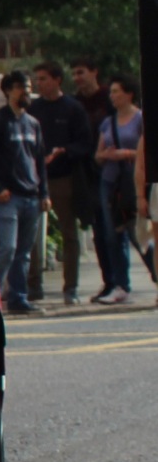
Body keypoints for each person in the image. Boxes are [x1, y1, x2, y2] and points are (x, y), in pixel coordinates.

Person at [0, 70, 47, 313]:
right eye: (19, 87)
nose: (25, 92)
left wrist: (44, 193)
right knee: (7, 248)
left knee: (24, 253)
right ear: (7, 91)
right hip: (9, 197)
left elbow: (39, 161)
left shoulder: (33, 124)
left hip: (31, 196)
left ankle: (18, 298)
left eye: (27, 87)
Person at [28, 61, 94, 304]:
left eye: (44, 79)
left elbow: (85, 144)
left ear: (57, 80)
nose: (40, 84)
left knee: (69, 233)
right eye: (38, 79)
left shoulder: (73, 109)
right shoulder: (34, 109)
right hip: (36, 178)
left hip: (63, 177)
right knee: (32, 234)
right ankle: (33, 285)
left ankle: (71, 288)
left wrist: (63, 151)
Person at [92, 77, 144, 303]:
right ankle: (121, 284)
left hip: (133, 181)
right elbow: (98, 155)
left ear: (129, 94)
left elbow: (146, 152)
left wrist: (126, 154)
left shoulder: (140, 119)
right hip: (110, 182)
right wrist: (107, 155)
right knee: (113, 234)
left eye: (117, 91)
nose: (112, 96)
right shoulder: (108, 122)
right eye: (111, 92)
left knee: (140, 233)